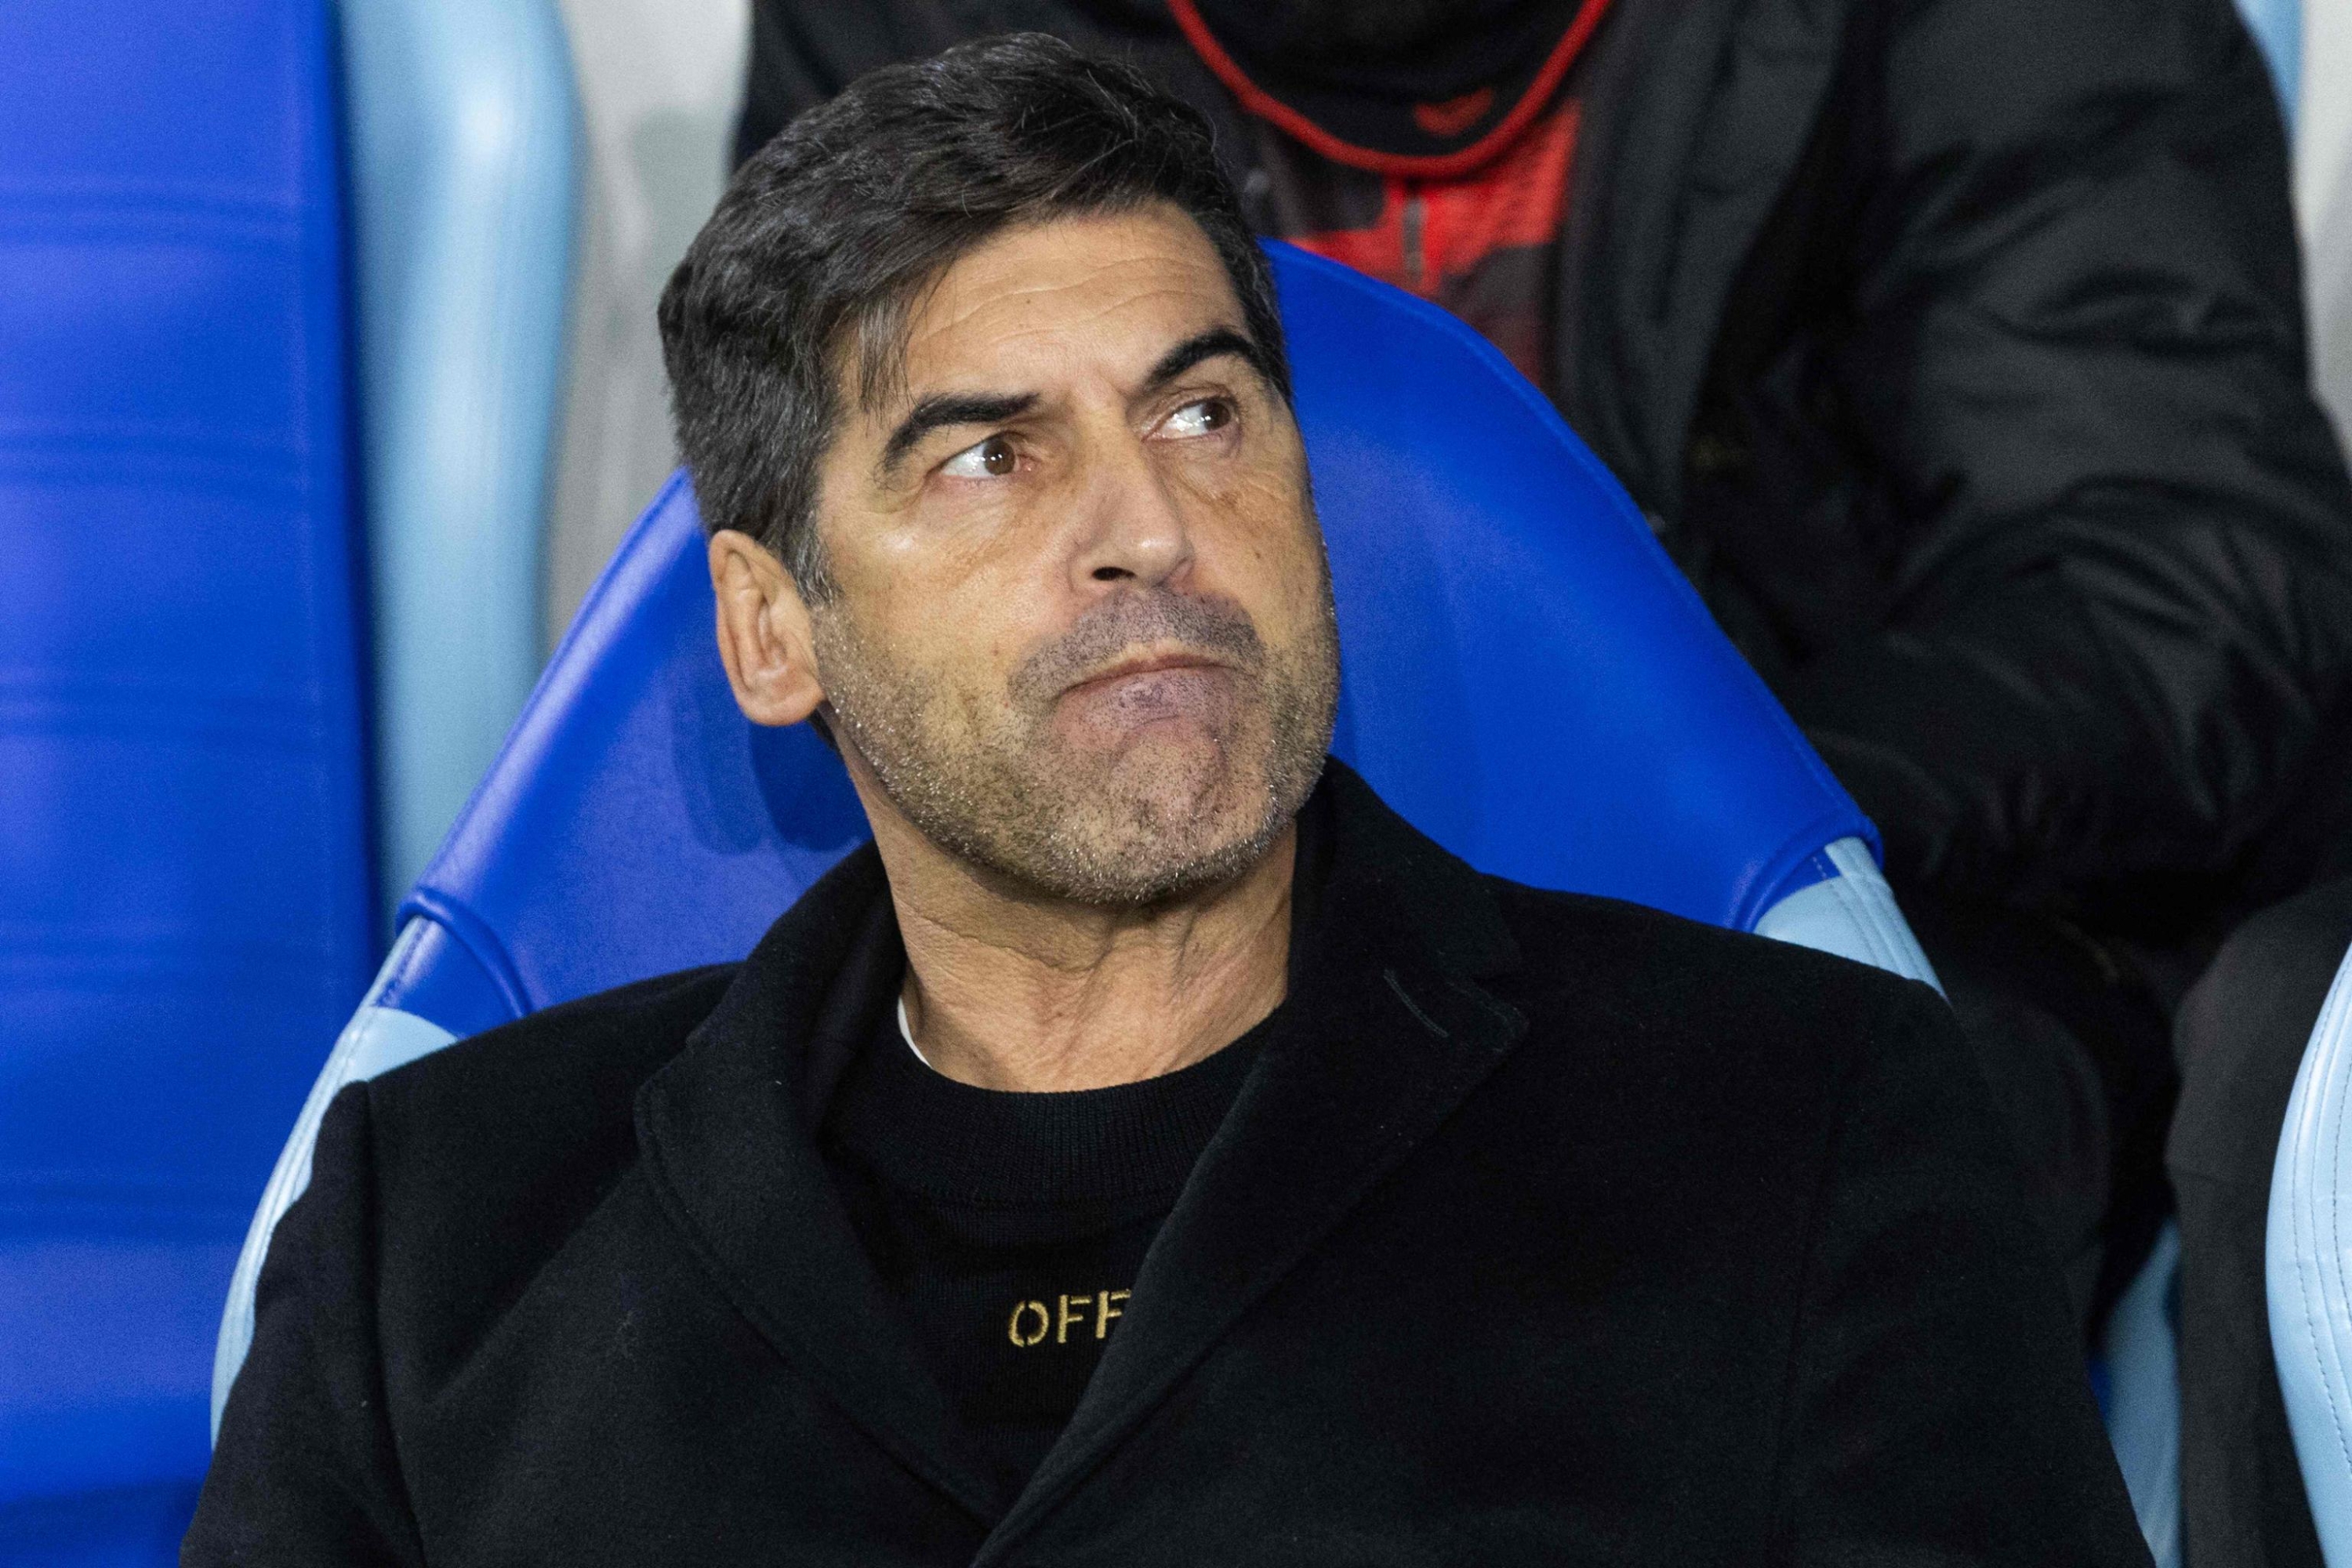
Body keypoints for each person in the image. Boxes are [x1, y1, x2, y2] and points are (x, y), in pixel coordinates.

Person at [187, 37, 2151, 1564]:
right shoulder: (432, 1234)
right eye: (986, 459)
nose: (1148, 527)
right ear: (771, 630)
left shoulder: (1805, 1129)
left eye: (1203, 412)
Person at [741, 5, 2352, 1561]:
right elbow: (833, 532)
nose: (1147, 516)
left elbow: (2169, 583)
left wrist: (1657, 835)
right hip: (1140, 935)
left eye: (1204, 412)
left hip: (1901, 893)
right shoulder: (903, 20)